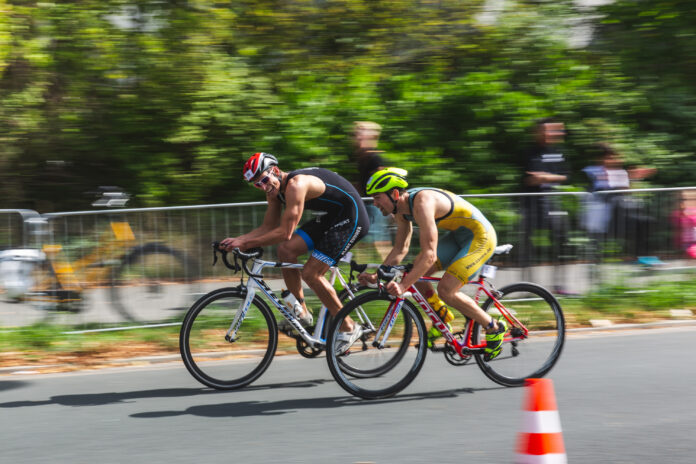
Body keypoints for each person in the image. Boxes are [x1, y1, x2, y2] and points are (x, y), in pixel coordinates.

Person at [221, 152, 369, 352]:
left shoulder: (295, 185)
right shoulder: (274, 190)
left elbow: (285, 232)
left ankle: (349, 327)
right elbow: (268, 227)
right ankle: (302, 313)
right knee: (285, 250)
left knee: (311, 273)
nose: (264, 187)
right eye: (258, 185)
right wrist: (239, 240)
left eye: (264, 180)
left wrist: (246, 244)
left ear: (274, 170)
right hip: (332, 217)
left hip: (352, 217)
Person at [356, 167, 506, 361]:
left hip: (480, 237)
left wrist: (402, 286)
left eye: (377, 197)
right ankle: (443, 317)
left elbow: (429, 255)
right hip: (458, 236)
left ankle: (494, 326)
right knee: (416, 277)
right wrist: (377, 276)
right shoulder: (400, 210)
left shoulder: (422, 203)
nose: (374, 203)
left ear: (394, 194)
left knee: (446, 289)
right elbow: (401, 249)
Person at [519, 117, 571, 294]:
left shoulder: (558, 152)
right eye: (547, 130)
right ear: (538, 132)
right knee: (528, 247)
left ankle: (559, 286)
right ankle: (528, 288)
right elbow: (527, 178)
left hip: (552, 203)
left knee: (561, 244)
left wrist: (545, 177)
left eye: (555, 130)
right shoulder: (528, 152)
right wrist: (542, 177)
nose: (551, 134)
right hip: (531, 205)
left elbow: (565, 176)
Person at [351, 121, 392, 260]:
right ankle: (362, 274)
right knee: (363, 240)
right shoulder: (363, 158)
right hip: (367, 204)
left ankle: (393, 273)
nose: (356, 137)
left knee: (379, 242)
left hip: (376, 205)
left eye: (360, 134)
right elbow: (361, 184)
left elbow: (384, 180)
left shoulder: (375, 159)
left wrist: (389, 205)